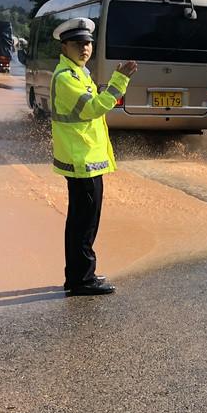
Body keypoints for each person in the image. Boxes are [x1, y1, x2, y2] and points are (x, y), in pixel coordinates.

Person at [50, 17, 137, 296]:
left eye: (88, 43)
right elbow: (94, 109)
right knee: (83, 224)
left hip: (86, 160)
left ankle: (79, 274)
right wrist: (120, 80)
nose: (85, 48)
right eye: (78, 43)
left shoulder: (79, 74)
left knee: (82, 222)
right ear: (64, 46)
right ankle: (80, 280)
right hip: (81, 162)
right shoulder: (66, 79)